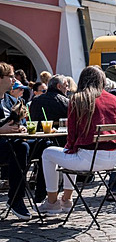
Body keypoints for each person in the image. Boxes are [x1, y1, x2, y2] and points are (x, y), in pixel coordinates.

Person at [37, 66, 116, 215]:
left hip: (89, 159)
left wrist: (71, 148)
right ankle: (66, 200)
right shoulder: (115, 100)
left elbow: (71, 134)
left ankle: (52, 202)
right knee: (70, 152)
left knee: (49, 153)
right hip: (114, 158)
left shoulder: (79, 99)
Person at [29, 74, 70, 202]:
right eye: (66, 86)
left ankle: (42, 193)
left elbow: (33, 121)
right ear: (59, 86)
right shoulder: (66, 102)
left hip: (36, 144)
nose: (67, 89)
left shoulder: (36, 100)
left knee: (45, 153)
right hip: (62, 145)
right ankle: (62, 194)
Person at [0, 62, 31, 220]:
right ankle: (16, 199)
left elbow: (21, 122)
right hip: (3, 146)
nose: (14, 80)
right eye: (10, 76)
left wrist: (22, 128)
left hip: (12, 142)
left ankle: (45, 196)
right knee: (21, 147)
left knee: (46, 147)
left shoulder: (11, 100)